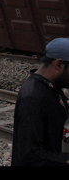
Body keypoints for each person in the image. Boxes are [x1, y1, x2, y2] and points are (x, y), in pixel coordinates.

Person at [11, 37, 69, 166]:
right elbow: (30, 155)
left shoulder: (50, 86)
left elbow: (53, 109)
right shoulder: (32, 98)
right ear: (59, 64)